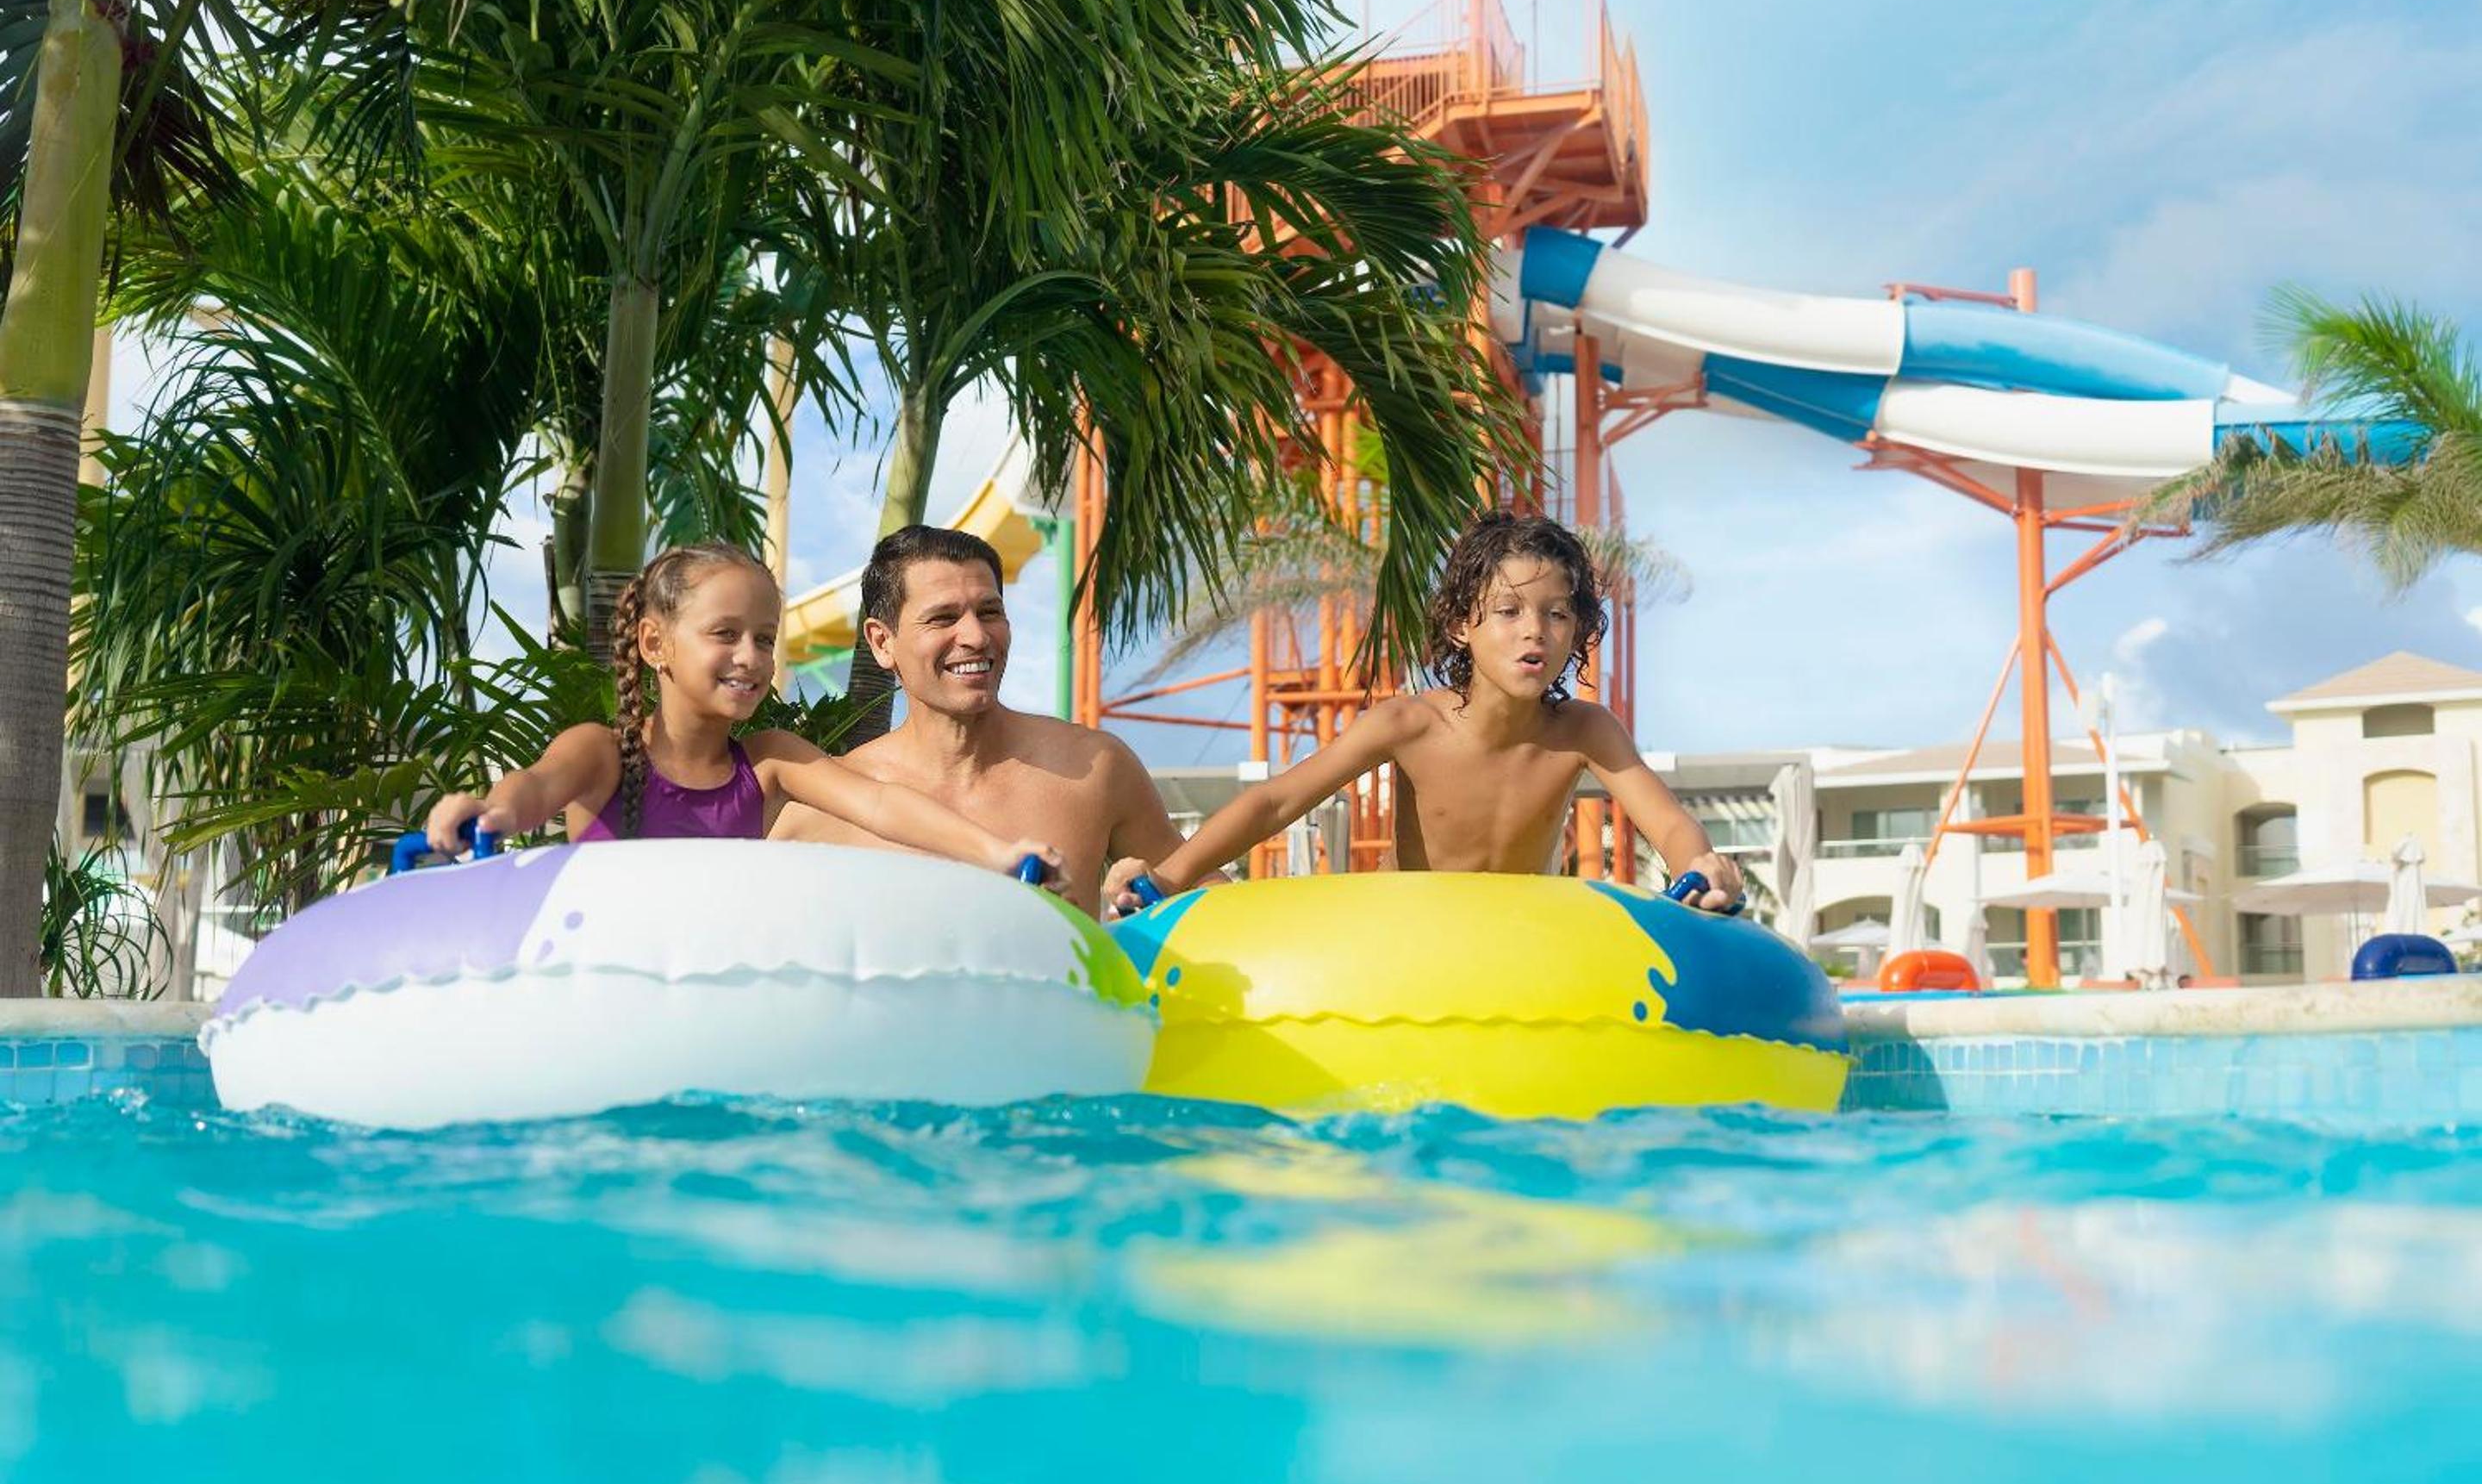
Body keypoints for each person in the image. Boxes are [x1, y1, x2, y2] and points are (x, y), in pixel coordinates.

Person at [1105, 511, 1743, 910]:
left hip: (1520, 934)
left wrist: (1700, 867)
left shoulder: (1585, 730)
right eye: (1509, 611)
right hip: (1408, 928)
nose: (1535, 631)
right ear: (1462, 626)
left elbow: (1667, 823)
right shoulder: (1409, 724)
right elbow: (1274, 803)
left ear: (1577, 630)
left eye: (1557, 614)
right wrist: (1170, 877)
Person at [423, 542, 1063, 886]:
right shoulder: (603, 754)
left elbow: (880, 804)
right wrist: (493, 813)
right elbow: (536, 785)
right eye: (724, 634)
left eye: (764, 638)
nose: (750, 657)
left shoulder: (769, 761)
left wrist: (996, 852)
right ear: (655, 644)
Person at [770, 526, 1195, 914]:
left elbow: (1207, 902)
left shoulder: (1095, 768)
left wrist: (1152, 901)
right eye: (943, 618)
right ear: (882, 642)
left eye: (989, 612)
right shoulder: (819, 810)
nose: (976, 636)